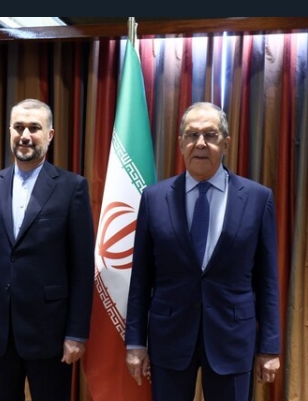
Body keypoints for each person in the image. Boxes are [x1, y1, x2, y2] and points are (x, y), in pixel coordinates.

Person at [125, 102, 281, 401]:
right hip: (169, 336)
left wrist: (270, 346)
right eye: (192, 134)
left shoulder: (257, 198)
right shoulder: (154, 198)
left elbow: (268, 280)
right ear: (180, 143)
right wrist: (135, 342)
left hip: (232, 339)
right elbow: (141, 278)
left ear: (226, 143)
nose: (200, 143)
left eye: (210, 135)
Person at [0, 98, 94, 401]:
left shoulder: (72, 187)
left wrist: (76, 333)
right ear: (9, 131)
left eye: (34, 128)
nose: (25, 135)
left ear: (50, 135)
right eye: (18, 127)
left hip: (50, 332)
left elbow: (82, 270)